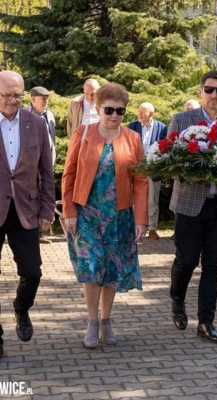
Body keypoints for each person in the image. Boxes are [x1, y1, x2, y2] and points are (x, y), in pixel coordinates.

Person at [62, 82, 148, 348]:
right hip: (86, 213)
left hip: (119, 215)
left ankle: (107, 320)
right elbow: (69, 174)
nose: (114, 115)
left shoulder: (132, 139)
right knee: (91, 268)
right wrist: (69, 212)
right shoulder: (83, 133)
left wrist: (141, 219)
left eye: (120, 111)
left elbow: (141, 180)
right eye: (108, 110)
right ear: (98, 108)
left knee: (111, 268)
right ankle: (91, 321)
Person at [168, 70, 217, 343]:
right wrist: (193, 172)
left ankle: (206, 322)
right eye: (210, 89)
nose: (214, 95)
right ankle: (177, 298)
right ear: (201, 91)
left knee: (213, 265)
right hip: (190, 204)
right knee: (187, 260)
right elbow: (172, 165)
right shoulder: (182, 120)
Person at [0, 70, 55, 353]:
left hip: (26, 209)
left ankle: (21, 308)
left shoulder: (35, 122)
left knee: (32, 272)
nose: (13, 100)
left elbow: (47, 171)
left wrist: (47, 209)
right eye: (7, 95)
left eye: (18, 95)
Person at [128, 102, 167, 240]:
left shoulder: (162, 128)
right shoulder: (132, 126)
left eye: (142, 111)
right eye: (138, 110)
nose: (139, 113)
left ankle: (152, 228)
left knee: (152, 200)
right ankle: (133, 227)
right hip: (136, 169)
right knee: (134, 198)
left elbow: (165, 149)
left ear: (151, 114)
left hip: (153, 169)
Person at [24, 86, 56, 244]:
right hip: (30, 164)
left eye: (47, 98)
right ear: (33, 99)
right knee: (31, 197)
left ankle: (38, 232)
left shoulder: (49, 115)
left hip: (47, 161)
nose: (46, 102)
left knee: (44, 195)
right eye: (43, 99)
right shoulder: (24, 116)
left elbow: (51, 138)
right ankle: (30, 232)